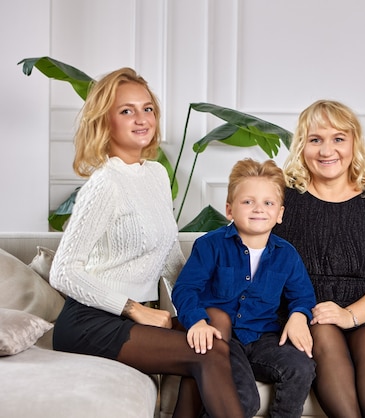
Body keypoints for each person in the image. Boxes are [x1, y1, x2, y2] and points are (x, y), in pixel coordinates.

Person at [49, 67, 245, 418]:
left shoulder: (155, 174)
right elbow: (63, 273)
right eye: (127, 111)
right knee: (208, 351)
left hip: (138, 316)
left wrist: (197, 304)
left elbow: (169, 256)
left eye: (147, 108)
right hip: (92, 321)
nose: (142, 119)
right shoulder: (105, 184)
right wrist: (135, 310)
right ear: (105, 121)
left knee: (214, 325)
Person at [272, 99, 365, 418]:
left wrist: (349, 315)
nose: (326, 150)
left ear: (354, 144)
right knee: (322, 329)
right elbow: (245, 248)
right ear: (301, 146)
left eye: (338, 139)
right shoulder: (283, 200)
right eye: (315, 140)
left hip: (363, 312)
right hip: (305, 310)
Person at [172, 158, 317, 418]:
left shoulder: (287, 254)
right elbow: (185, 289)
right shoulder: (210, 246)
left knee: (301, 367)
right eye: (248, 201)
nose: (258, 209)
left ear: (280, 213)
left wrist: (299, 315)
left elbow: (303, 296)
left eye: (268, 203)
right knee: (244, 400)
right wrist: (197, 321)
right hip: (224, 340)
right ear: (230, 209)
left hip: (264, 338)